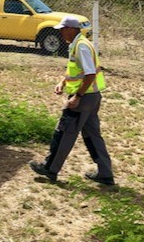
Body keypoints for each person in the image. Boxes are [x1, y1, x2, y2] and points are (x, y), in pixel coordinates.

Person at [29, 16, 114, 185]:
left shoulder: (81, 46)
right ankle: (105, 173)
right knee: (92, 135)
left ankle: (50, 168)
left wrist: (77, 97)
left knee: (64, 132)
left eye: (62, 29)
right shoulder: (78, 43)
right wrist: (63, 82)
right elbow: (77, 71)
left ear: (71, 29)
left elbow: (89, 74)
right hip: (93, 97)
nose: (60, 32)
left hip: (83, 98)